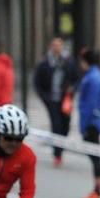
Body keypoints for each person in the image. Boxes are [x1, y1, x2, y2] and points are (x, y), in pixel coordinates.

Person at [33, 37, 78, 168]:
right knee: (56, 125)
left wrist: (72, 89)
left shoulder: (68, 62)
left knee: (66, 126)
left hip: (65, 100)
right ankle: (57, 154)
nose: (56, 48)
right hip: (51, 100)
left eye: (59, 45)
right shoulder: (45, 63)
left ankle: (60, 146)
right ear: (51, 47)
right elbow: (37, 82)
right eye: (54, 45)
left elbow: (76, 79)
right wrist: (44, 97)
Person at [77, 48, 100, 198]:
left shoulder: (92, 78)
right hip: (95, 120)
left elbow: (89, 104)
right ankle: (97, 190)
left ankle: (97, 192)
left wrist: (84, 125)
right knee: (94, 156)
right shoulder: (98, 76)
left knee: (95, 156)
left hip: (91, 122)